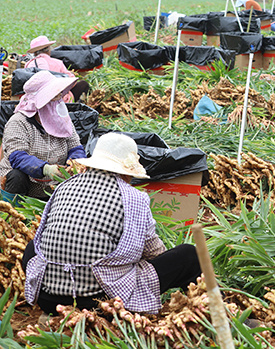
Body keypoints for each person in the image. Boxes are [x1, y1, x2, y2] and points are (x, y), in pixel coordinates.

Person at [22, 133, 202, 315]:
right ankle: (201, 305)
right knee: (189, 255)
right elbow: (152, 252)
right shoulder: (134, 198)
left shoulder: (64, 186)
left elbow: (42, 238)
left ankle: (50, 306)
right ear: (126, 171)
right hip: (102, 301)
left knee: (31, 248)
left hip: (47, 299)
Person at [0, 71, 86, 202]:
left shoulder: (62, 120)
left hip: (55, 185)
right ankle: (11, 212)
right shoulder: (18, 122)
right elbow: (17, 157)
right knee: (17, 176)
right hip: (25, 183)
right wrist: (46, 169)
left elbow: (75, 146)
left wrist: (74, 163)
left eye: (58, 97)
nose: (58, 102)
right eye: (52, 98)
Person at [24, 36, 90, 102]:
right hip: (57, 99)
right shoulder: (57, 63)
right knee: (83, 84)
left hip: (35, 99)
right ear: (48, 50)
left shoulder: (29, 64)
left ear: (35, 53)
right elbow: (72, 82)